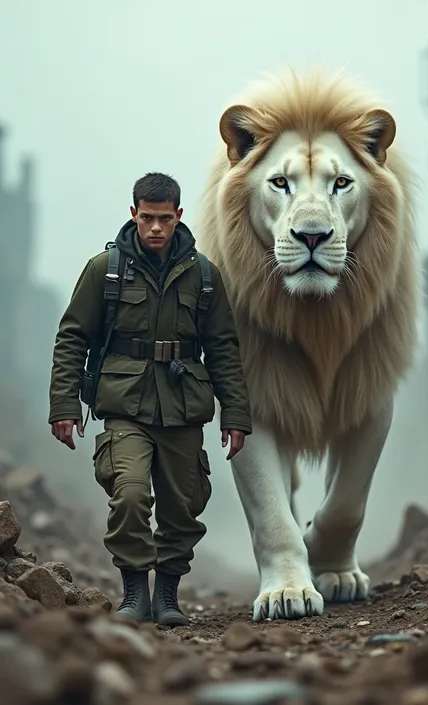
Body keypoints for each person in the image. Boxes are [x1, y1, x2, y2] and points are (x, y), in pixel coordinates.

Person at [48, 172, 252, 627]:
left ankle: (168, 596)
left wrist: (235, 415)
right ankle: (135, 592)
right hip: (125, 405)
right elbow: (72, 338)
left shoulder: (203, 275)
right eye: (147, 218)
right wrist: (64, 406)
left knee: (183, 505)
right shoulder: (106, 270)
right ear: (133, 214)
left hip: (183, 406)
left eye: (164, 219)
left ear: (178, 216)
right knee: (132, 494)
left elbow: (222, 348)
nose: (156, 228)